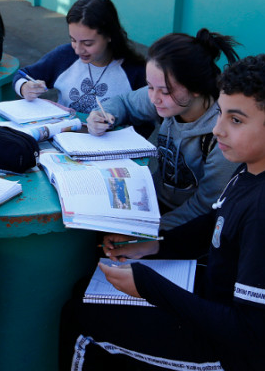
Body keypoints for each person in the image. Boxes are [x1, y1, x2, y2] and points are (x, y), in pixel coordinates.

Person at [60, 54, 265, 371]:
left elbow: (252, 331)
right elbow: (215, 222)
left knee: (82, 319)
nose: (218, 130)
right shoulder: (259, 164)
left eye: (236, 120)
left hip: (238, 359)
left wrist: (148, 286)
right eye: (222, 114)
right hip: (219, 304)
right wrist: (152, 246)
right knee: (86, 289)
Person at [86, 30, 240, 230]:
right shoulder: (169, 102)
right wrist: (102, 114)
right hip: (154, 202)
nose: (153, 98)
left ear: (197, 88)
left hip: (189, 227)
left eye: (165, 91)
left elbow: (205, 207)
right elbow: (124, 102)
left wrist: (148, 231)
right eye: (149, 86)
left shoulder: (222, 136)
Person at [13, 0, 146, 113]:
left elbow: (146, 120)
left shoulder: (135, 72)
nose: (78, 50)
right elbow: (21, 75)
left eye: (88, 43)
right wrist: (24, 87)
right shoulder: (64, 56)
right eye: (73, 40)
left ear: (109, 35)